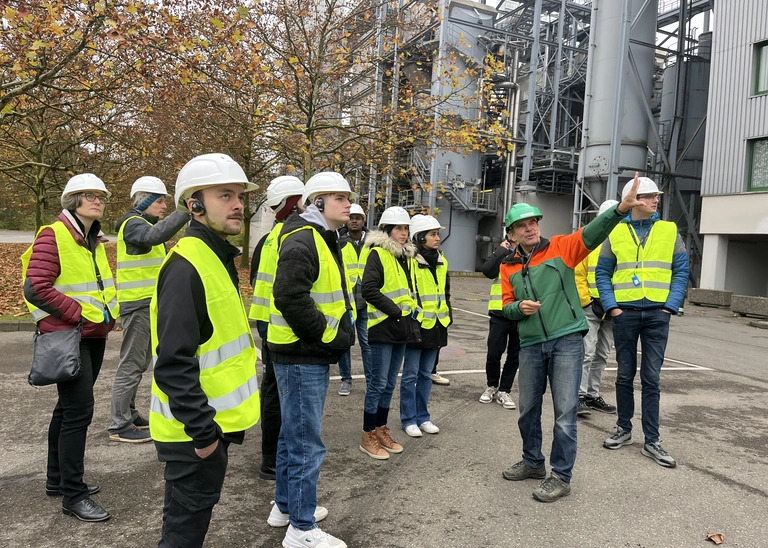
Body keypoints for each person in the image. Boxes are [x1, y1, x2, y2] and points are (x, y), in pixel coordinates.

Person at [498, 174, 645, 503]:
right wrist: (518, 308)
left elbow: (593, 232)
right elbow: (505, 306)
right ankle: (533, 462)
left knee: (565, 413)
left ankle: (561, 475)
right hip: (532, 343)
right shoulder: (507, 267)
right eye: (522, 225)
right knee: (527, 410)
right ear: (511, 233)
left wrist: (620, 209)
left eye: (533, 221)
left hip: (566, 341)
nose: (530, 227)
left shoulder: (563, 248)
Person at [149, 153, 261, 547]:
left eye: (240, 197)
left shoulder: (215, 256)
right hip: (194, 434)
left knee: (186, 527)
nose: (237, 205)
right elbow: (172, 364)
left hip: (208, 427)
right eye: (225, 195)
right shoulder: (187, 267)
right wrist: (204, 436)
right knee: (183, 535)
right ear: (194, 204)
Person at [21, 173, 119, 522]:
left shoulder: (92, 239)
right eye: (88, 195)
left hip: (92, 333)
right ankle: (73, 496)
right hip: (71, 334)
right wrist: (77, 313)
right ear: (72, 200)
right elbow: (35, 287)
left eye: (101, 196)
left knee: (67, 409)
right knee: (79, 412)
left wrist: (106, 315)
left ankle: (57, 480)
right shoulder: (54, 234)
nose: (97, 200)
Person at [266, 171, 355, 548]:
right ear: (317, 202)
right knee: (306, 443)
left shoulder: (317, 234)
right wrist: (326, 336)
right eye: (340, 198)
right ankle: (301, 528)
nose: (349, 204)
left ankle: (286, 507)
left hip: (298, 354)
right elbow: (289, 296)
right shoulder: (305, 237)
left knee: (292, 437)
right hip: (302, 355)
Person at [596, 177, 689, 468]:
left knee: (651, 378)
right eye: (647, 196)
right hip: (625, 314)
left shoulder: (669, 230)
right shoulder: (615, 233)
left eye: (655, 196)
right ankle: (624, 429)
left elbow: (682, 270)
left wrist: (670, 307)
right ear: (633, 200)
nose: (655, 201)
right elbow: (602, 273)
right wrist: (612, 308)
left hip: (657, 315)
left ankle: (652, 440)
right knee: (624, 375)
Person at [108, 176, 191, 443]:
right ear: (144, 200)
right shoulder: (133, 225)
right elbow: (153, 237)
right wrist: (185, 212)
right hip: (138, 305)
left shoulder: (140, 224)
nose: (164, 205)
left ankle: (129, 415)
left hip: (147, 304)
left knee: (140, 363)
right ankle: (119, 425)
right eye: (159, 200)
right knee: (131, 364)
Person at [249, 175, 305, 481]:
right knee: (278, 394)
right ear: (293, 203)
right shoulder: (291, 239)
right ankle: (272, 459)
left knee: (272, 391)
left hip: (269, 325)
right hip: (282, 329)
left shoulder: (268, 239)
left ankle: (270, 458)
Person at [359, 206, 421, 459]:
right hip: (383, 327)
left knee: (389, 384)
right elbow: (369, 290)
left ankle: (380, 428)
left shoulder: (404, 257)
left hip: (400, 327)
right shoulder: (378, 254)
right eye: (399, 228)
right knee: (378, 384)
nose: (404, 233)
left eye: (406, 228)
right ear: (387, 230)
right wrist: (395, 311)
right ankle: (367, 435)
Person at [400, 215, 451, 437]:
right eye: (432, 234)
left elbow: (445, 293)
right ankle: (408, 419)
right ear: (420, 238)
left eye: (437, 234)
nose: (437, 238)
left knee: (425, 375)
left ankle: (423, 417)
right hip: (416, 325)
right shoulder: (409, 261)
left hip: (437, 325)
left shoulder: (442, 260)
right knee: (410, 376)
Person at [574, 199, 619, 417]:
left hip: (611, 308)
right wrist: (588, 302)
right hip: (591, 307)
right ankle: (579, 396)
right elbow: (578, 274)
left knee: (602, 354)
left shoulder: (623, 243)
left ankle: (592, 394)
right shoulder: (589, 242)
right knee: (586, 353)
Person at [479, 225, 520, 410]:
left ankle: (505, 390)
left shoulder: (531, 254)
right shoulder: (501, 254)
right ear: (510, 235)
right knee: (494, 352)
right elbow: (487, 271)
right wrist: (502, 251)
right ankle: (492, 386)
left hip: (520, 311)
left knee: (515, 355)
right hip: (499, 310)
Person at [337, 203, 372, 395]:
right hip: (347, 302)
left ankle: (370, 380)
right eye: (351, 217)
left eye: (358, 217)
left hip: (366, 301)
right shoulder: (339, 241)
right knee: (345, 343)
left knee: (367, 344)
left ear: (363, 220)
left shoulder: (372, 242)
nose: (354, 220)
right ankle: (346, 380)